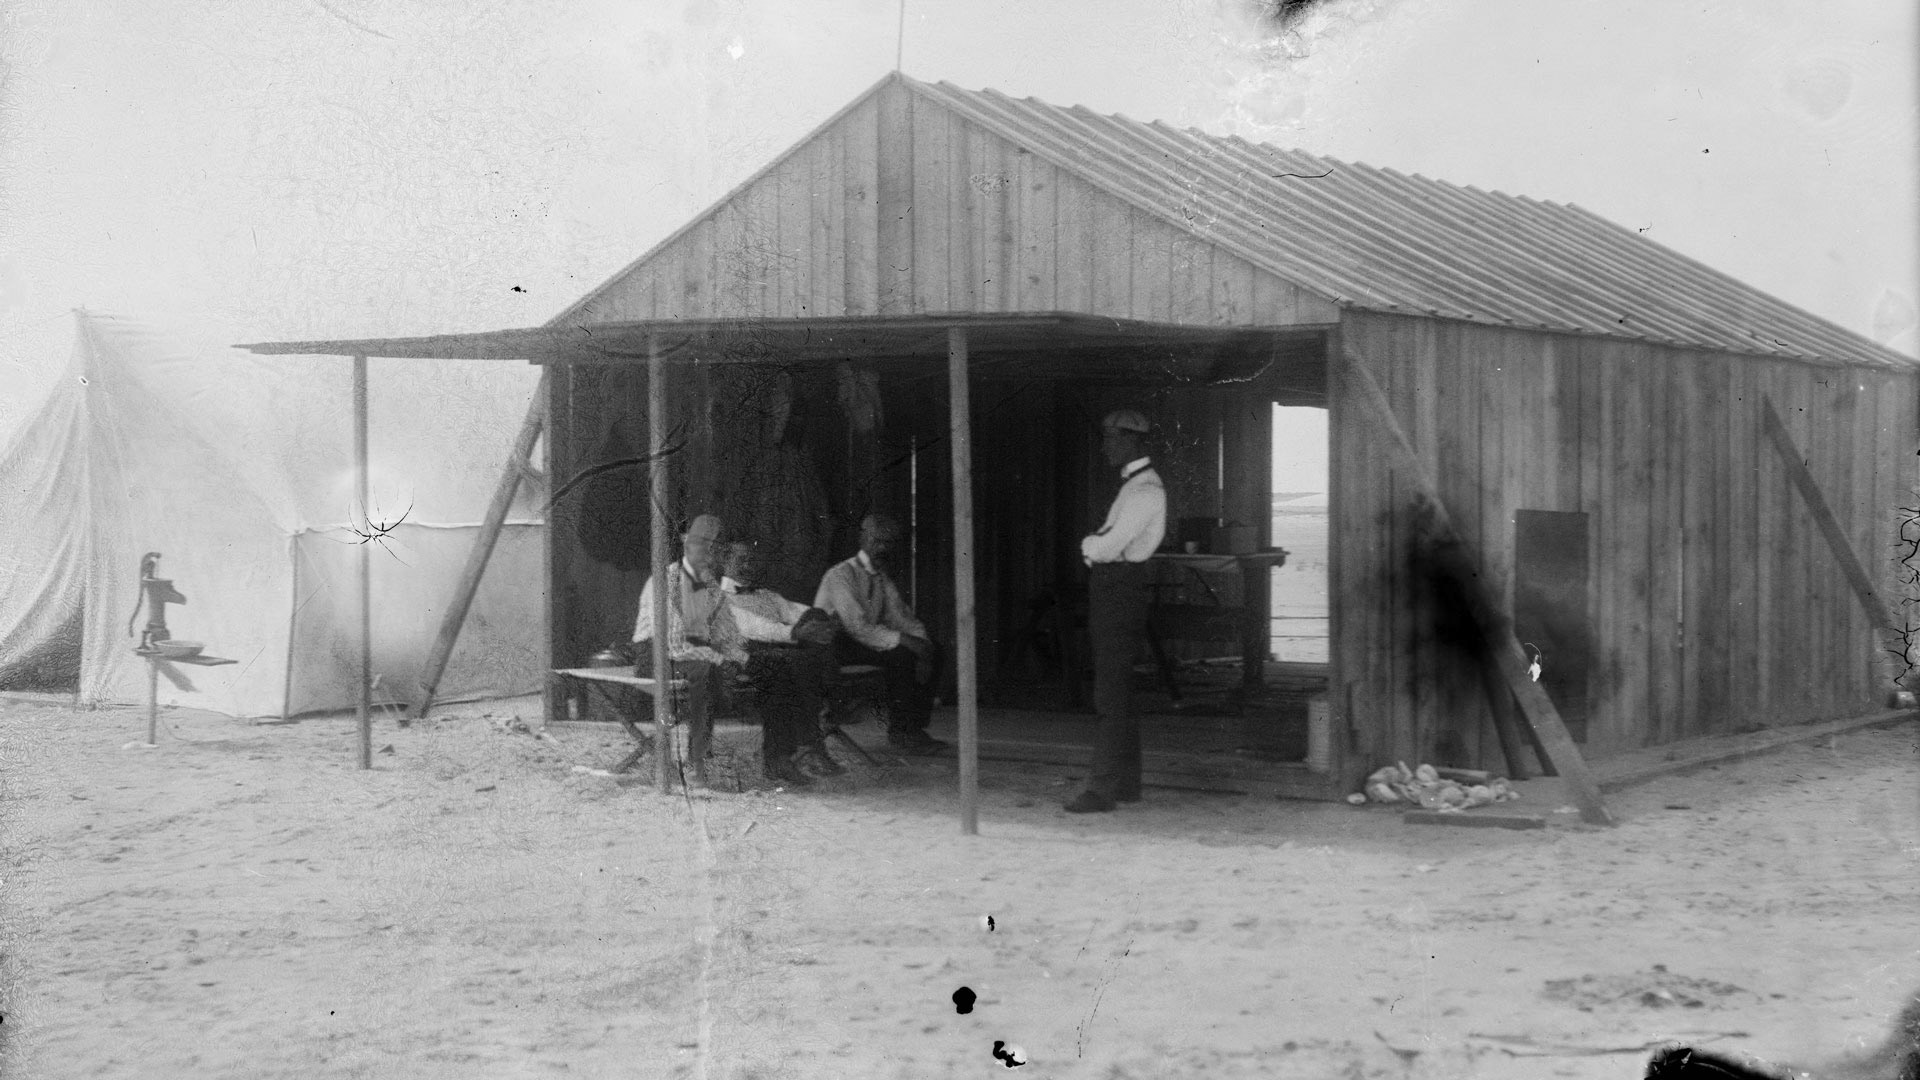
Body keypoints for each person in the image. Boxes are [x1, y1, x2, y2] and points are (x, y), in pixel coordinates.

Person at [1064, 408, 1167, 813]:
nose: (1105, 446)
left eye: (1112, 438)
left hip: (1119, 586)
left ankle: (1102, 789)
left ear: (1132, 441)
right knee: (1118, 690)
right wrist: (1098, 546)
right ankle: (1125, 784)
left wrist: (1089, 546)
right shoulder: (1134, 486)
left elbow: (1106, 545)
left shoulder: (1145, 491)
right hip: (1116, 585)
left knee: (1110, 692)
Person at [813, 513, 947, 755]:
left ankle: (914, 728)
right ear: (863, 539)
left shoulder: (881, 579)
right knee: (901, 654)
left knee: (933, 649)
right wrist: (906, 642)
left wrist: (924, 646)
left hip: (862, 641)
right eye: (877, 541)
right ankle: (902, 731)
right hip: (833, 647)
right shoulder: (841, 575)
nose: (883, 548)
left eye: (888, 543)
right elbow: (856, 626)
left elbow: (902, 618)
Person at [719, 540, 847, 781]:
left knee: (814, 620)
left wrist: (825, 622)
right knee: (793, 666)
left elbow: (797, 612)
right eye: (741, 560)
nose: (748, 566)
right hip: (743, 660)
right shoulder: (719, 598)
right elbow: (754, 627)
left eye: (752, 561)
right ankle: (798, 751)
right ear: (724, 562)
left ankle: (801, 750)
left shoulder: (768, 596)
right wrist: (796, 633)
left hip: (783, 655)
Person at [631, 513, 741, 787]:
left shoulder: (709, 584)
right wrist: (719, 658)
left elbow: (727, 631)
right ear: (688, 544)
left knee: (723, 669)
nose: (710, 553)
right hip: (655, 656)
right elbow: (677, 642)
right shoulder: (668, 579)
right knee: (705, 672)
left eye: (716, 548)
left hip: (688, 654)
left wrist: (739, 657)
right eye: (703, 544)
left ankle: (699, 757)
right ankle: (696, 763)